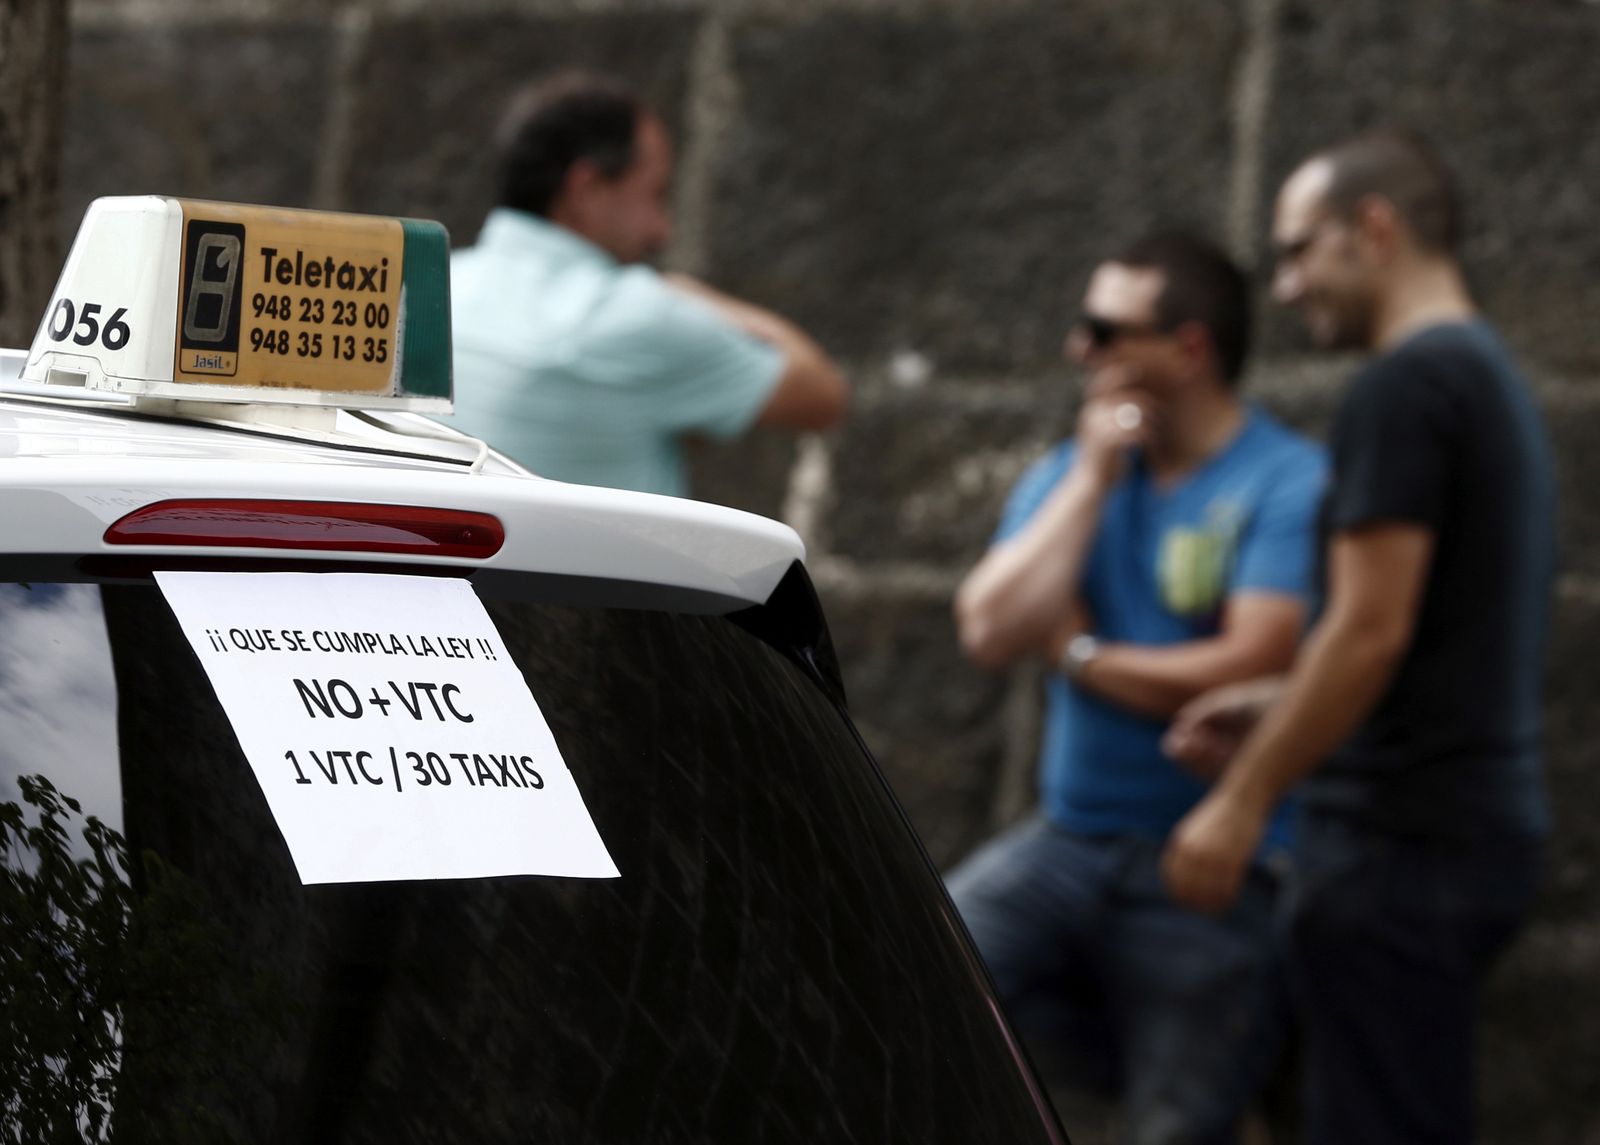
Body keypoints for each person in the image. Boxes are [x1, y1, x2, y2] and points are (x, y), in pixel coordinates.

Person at [1161, 128, 1556, 1145]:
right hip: (1459, 832)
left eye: (1298, 250)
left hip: (1399, 850)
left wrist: (1240, 803)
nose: (1286, 286)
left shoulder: (1406, 385)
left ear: (1372, 230)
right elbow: (1426, 630)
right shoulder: (1484, 377)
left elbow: (1369, 627)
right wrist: (1274, 705)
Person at [949, 232, 1326, 1144]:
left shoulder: (1285, 479)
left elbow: (1250, 666)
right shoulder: (1077, 469)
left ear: (1189, 348)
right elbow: (991, 628)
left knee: (1178, 1120)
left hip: (1205, 859)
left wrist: (1079, 652)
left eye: (1106, 330)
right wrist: (1088, 476)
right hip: (1066, 839)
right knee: (912, 973)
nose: (1082, 350)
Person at [446, 72, 846, 497]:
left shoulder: (426, 291)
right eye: (655, 194)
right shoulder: (637, 313)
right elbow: (822, 394)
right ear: (586, 189)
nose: (663, 231)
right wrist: (691, 295)